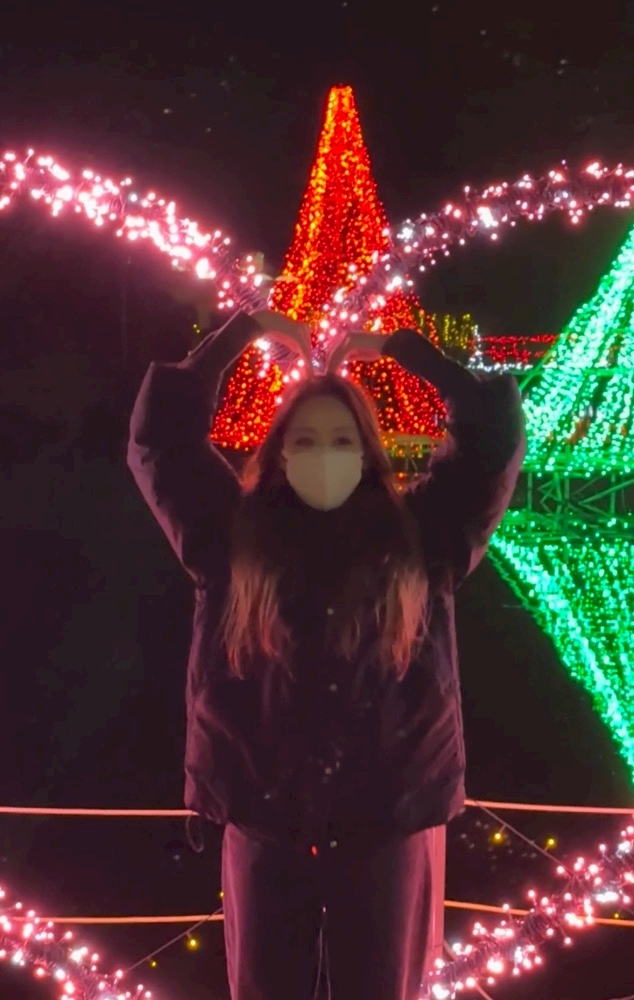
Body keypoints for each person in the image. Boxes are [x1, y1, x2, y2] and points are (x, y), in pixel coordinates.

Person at [127, 308, 526, 1000]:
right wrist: (240, 334)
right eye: (306, 439)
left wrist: (404, 350)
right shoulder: (232, 537)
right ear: (279, 451)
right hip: (263, 816)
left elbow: (492, 440)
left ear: (368, 452)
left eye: (342, 439)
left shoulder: (420, 537)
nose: (324, 455)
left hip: (389, 817)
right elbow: (160, 441)